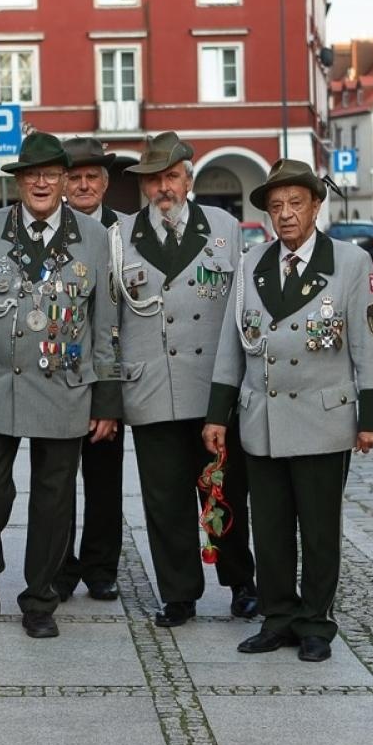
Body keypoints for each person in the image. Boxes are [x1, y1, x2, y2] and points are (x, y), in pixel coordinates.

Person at [203, 158, 373, 662]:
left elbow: (370, 344)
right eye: (276, 206)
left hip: (323, 418)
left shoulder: (349, 263)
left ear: (315, 206)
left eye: (296, 204)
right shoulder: (251, 264)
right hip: (261, 420)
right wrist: (218, 415)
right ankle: (278, 616)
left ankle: (315, 622)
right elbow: (230, 344)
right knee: (269, 527)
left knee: (319, 527)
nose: (285, 215)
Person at [0, 132, 122, 639]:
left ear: (66, 181)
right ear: (19, 181)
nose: (41, 182)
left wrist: (106, 398)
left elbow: (105, 324)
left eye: (51, 174)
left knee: (54, 498)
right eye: (31, 174)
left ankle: (40, 598)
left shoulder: (94, 237)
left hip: (63, 385)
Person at [112, 131, 257, 628]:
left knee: (224, 492)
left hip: (212, 387)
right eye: (153, 179)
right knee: (164, 498)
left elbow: (243, 312)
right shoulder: (121, 236)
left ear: (189, 179)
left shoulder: (224, 228)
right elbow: (109, 321)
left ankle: (241, 583)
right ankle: (178, 594)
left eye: (171, 176)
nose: (163, 188)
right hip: (150, 387)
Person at [52, 136, 127, 603]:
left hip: (108, 371)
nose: (83, 185)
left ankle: (101, 567)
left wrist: (112, 392)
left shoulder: (126, 233)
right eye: (74, 177)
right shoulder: (46, 229)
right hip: (56, 374)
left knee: (104, 480)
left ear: (105, 182)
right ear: (62, 183)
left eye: (91, 177)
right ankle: (59, 567)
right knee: (55, 480)